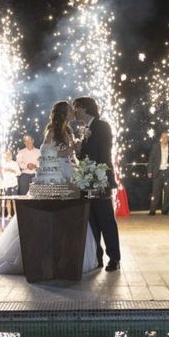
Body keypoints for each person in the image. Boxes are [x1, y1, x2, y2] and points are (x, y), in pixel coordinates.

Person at [0, 101, 98, 274]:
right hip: (53, 173)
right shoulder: (52, 130)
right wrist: (64, 152)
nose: (72, 113)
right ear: (62, 113)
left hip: (68, 171)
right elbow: (45, 152)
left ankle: (68, 254)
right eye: (69, 111)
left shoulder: (69, 130)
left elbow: (71, 153)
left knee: (70, 213)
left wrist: (75, 149)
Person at [74, 96, 121, 272]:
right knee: (92, 221)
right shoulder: (84, 129)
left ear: (84, 108)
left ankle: (114, 258)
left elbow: (104, 152)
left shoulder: (102, 126)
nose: (74, 111)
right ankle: (97, 257)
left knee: (106, 220)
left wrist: (98, 175)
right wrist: (79, 152)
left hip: (100, 179)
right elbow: (85, 156)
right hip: (87, 181)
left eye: (76, 107)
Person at [146, 131, 169, 215]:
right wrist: (149, 171)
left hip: (167, 172)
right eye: (163, 137)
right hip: (157, 172)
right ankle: (152, 210)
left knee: (167, 192)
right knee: (155, 192)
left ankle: (165, 210)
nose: (164, 139)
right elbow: (151, 159)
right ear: (161, 138)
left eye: (166, 137)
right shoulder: (155, 147)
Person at [1, 149, 20, 218]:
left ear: (12, 155)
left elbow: (19, 173)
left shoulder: (15, 163)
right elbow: (1, 174)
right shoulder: (2, 164)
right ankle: (9, 214)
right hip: (6, 184)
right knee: (8, 199)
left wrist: (12, 171)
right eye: (7, 154)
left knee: (14, 199)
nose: (8, 155)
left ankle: (15, 214)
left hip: (13, 183)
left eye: (9, 154)